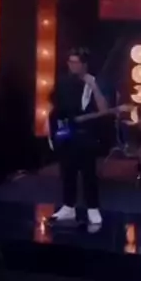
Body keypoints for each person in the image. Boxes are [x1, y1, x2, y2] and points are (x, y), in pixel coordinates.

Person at [49, 48, 108, 226]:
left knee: (88, 172)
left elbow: (104, 109)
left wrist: (93, 87)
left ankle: (92, 208)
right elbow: (55, 106)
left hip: (88, 133)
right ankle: (68, 206)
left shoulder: (96, 82)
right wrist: (52, 128)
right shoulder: (63, 83)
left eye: (75, 62)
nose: (72, 66)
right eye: (70, 62)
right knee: (68, 171)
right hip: (67, 132)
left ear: (84, 65)